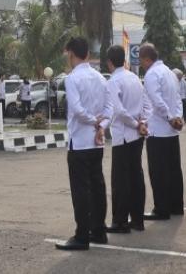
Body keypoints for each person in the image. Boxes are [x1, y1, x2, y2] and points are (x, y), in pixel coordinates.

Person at [55, 37, 108, 251]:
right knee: (97, 187)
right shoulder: (100, 77)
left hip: (80, 141)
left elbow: (77, 110)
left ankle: (82, 235)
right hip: (97, 141)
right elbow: (109, 107)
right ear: (87, 53)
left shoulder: (72, 78)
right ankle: (99, 230)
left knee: (81, 190)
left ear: (71, 54)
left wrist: (93, 121)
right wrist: (101, 124)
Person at [104, 45, 150, 234]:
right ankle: (137, 219)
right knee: (136, 176)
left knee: (121, 180)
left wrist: (135, 124)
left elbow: (119, 111)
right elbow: (146, 104)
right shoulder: (134, 78)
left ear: (109, 62)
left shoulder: (114, 81)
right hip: (137, 134)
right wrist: (142, 122)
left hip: (124, 134)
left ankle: (120, 221)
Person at [140, 43, 185, 221]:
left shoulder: (152, 74)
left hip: (159, 130)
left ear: (147, 58)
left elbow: (157, 101)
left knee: (159, 172)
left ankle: (162, 209)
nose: (141, 64)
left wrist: (170, 118)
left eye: (141, 60)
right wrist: (177, 117)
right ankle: (176, 206)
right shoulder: (169, 72)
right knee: (174, 170)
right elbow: (178, 99)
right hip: (172, 130)